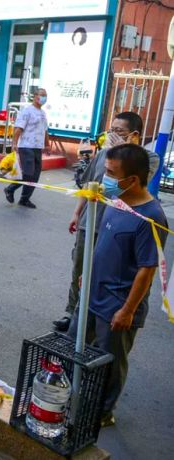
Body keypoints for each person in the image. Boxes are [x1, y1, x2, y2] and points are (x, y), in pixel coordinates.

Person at [67, 143, 167, 427]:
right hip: (90, 295)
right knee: (73, 344)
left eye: (110, 173)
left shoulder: (151, 217)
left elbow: (147, 269)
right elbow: (104, 243)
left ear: (133, 179)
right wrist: (89, 273)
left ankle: (103, 411)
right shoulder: (116, 201)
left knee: (109, 362)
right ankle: (73, 395)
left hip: (117, 306)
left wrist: (127, 310)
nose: (104, 180)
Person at [55, 112, 160, 332]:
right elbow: (90, 185)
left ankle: (99, 317)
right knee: (80, 270)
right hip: (90, 221)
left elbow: (142, 181)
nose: (113, 135)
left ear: (134, 135)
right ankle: (72, 313)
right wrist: (77, 213)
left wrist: (125, 152)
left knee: (108, 273)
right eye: (111, 130)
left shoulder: (147, 159)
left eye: (119, 131)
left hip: (118, 227)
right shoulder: (103, 154)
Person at [4, 88, 49, 209]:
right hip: (26, 146)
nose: (44, 98)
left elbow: (45, 131)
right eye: (42, 95)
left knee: (35, 176)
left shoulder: (43, 113)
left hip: (37, 148)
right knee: (28, 174)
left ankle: (24, 199)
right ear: (35, 96)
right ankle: (10, 189)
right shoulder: (27, 111)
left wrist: (47, 145)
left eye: (45, 96)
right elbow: (18, 128)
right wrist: (14, 143)